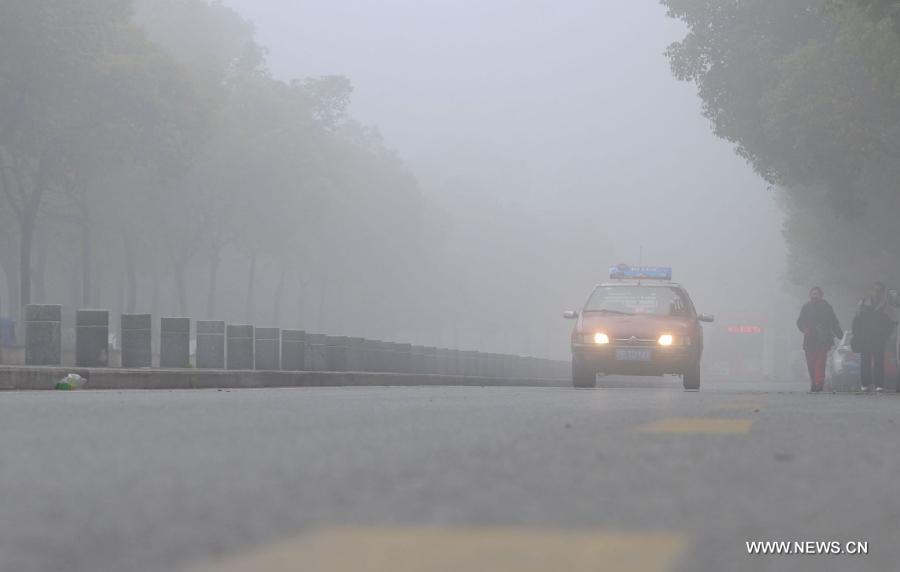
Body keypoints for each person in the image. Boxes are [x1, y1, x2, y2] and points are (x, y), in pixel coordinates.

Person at [796, 286, 843, 392]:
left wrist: (839, 333)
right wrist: (804, 329)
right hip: (810, 340)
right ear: (810, 295)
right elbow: (799, 322)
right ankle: (814, 381)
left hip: (823, 339)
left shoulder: (827, 307)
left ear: (821, 295)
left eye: (816, 294)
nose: (815, 296)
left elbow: (833, 321)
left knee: (820, 362)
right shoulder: (806, 307)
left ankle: (819, 383)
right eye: (813, 294)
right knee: (811, 362)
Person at [851, 282, 894, 392]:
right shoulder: (862, 303)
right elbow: (856, 320)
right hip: (865, 337)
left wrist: (888, 335)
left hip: (879, 338)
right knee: (865, 361)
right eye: (874, 290)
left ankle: (879, 385)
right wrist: (855, 334)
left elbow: (890, 323)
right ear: (871, 291)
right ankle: (865, 384)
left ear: (882, 293)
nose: (876, 292)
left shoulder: (886, 306)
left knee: (879, 362)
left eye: (879, 290)